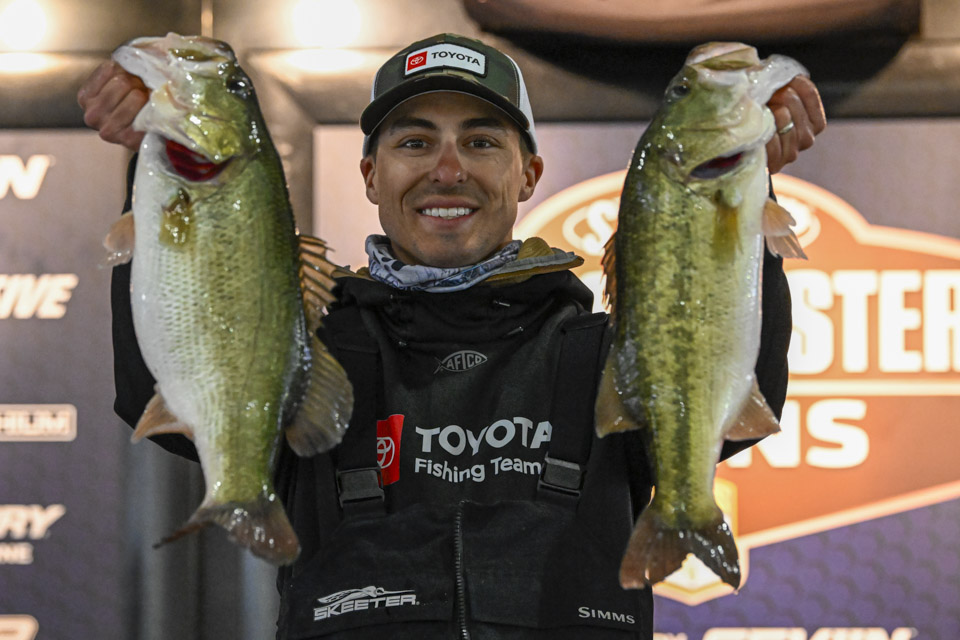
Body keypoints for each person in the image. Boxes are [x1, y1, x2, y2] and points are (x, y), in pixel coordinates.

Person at [78, 33, 826, 639]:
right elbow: (155, 390)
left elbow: (741, 381)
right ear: (370, 174)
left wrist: (745, 183)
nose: (446, 170)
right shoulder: (303, 347)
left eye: (481, 142)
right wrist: (154, 156)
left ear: (528, 173)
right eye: (414, 142)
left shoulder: (603, 352)